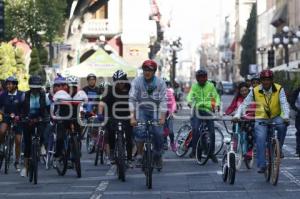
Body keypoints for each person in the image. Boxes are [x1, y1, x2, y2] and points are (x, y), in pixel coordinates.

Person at [234, 69, 290, 173]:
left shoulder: (279, 89)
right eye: (264, 80)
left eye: (268, 79)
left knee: (283, 126)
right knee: (260, 138)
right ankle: (261, 164)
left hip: (275, 116)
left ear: (272, 80)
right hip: (261, 118)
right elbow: (244, 104)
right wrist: (238, 114)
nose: (266, 82)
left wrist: (286, 116)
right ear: (261, 80)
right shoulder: (255, 91)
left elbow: (284, 103)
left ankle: (279, 148)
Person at [129, 60, 167, 169]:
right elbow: (131, 99)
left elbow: (164, 100)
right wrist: (132, 117)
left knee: (158, 133)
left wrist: (162, 117)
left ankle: (158, 155)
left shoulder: (160, 83)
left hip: (156, 109)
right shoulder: (137, 81)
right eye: (145, 70)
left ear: (154, 71)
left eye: (150, 70)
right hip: (141, 109)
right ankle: (140, 155)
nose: (147, 72)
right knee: (139, 131)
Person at [98, 70, 133, 166]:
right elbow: (101, 103)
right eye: (117, 81)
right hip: (113, 116)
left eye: (122, 81)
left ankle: (129, 159)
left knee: (129, 137)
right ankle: (112, 153)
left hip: (128, 116)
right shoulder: (110, 90)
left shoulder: (131, 89)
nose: (120, 83)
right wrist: (100, 114)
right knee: (111, 132)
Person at [186, 69, 220, 162]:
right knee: (196, 129)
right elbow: (190, 95)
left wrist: (217, 105)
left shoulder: (211, 85)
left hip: (208, 111)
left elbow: (216, 96)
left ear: (206, 77)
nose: (202, 79)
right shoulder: (194, 86)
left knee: (212, 133)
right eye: (199, 77)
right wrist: (189, 102)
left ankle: (211, 153)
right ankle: (194, 150)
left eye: (203, 77)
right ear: (197, 78)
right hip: (197, 110)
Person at [20, 75, 48, 177]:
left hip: (40, 118)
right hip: (28, 119)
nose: (35, 89)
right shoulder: (25, 95)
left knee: (43, 132)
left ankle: (41, 146)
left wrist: (48, 117)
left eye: (37, 87)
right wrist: (22, 117)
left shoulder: (44, 95)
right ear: (30, 87)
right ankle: (26, 167)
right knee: (27, 144)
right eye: (33, 87)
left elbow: (48, 108)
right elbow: (21, 108)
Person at [0, 76, 25, 172]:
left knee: (18, 141)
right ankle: (2, 146)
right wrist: (1, 113)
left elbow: (25, 108)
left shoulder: (21, 95)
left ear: (15, 85)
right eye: (7, 84)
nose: (8, 85)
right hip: (6, 117)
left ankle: (17, 161)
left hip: (18, 119)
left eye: (10, 84)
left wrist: (21, 116)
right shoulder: (3, 95)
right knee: (2, 131)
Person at [163, 79, 177, 152]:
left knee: (170, 131)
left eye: (166, 85)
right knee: (164, 130)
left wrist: (172, 111)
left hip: (169, 114)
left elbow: (173, 103)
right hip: (161, 114)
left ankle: (172, 143)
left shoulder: (170, 92)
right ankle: (165, 142)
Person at [290, 84, 300, 156]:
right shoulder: (297, 91)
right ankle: (298, 150)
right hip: (299, 114)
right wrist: (297, 110)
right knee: (299, 132)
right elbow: (292, 103)